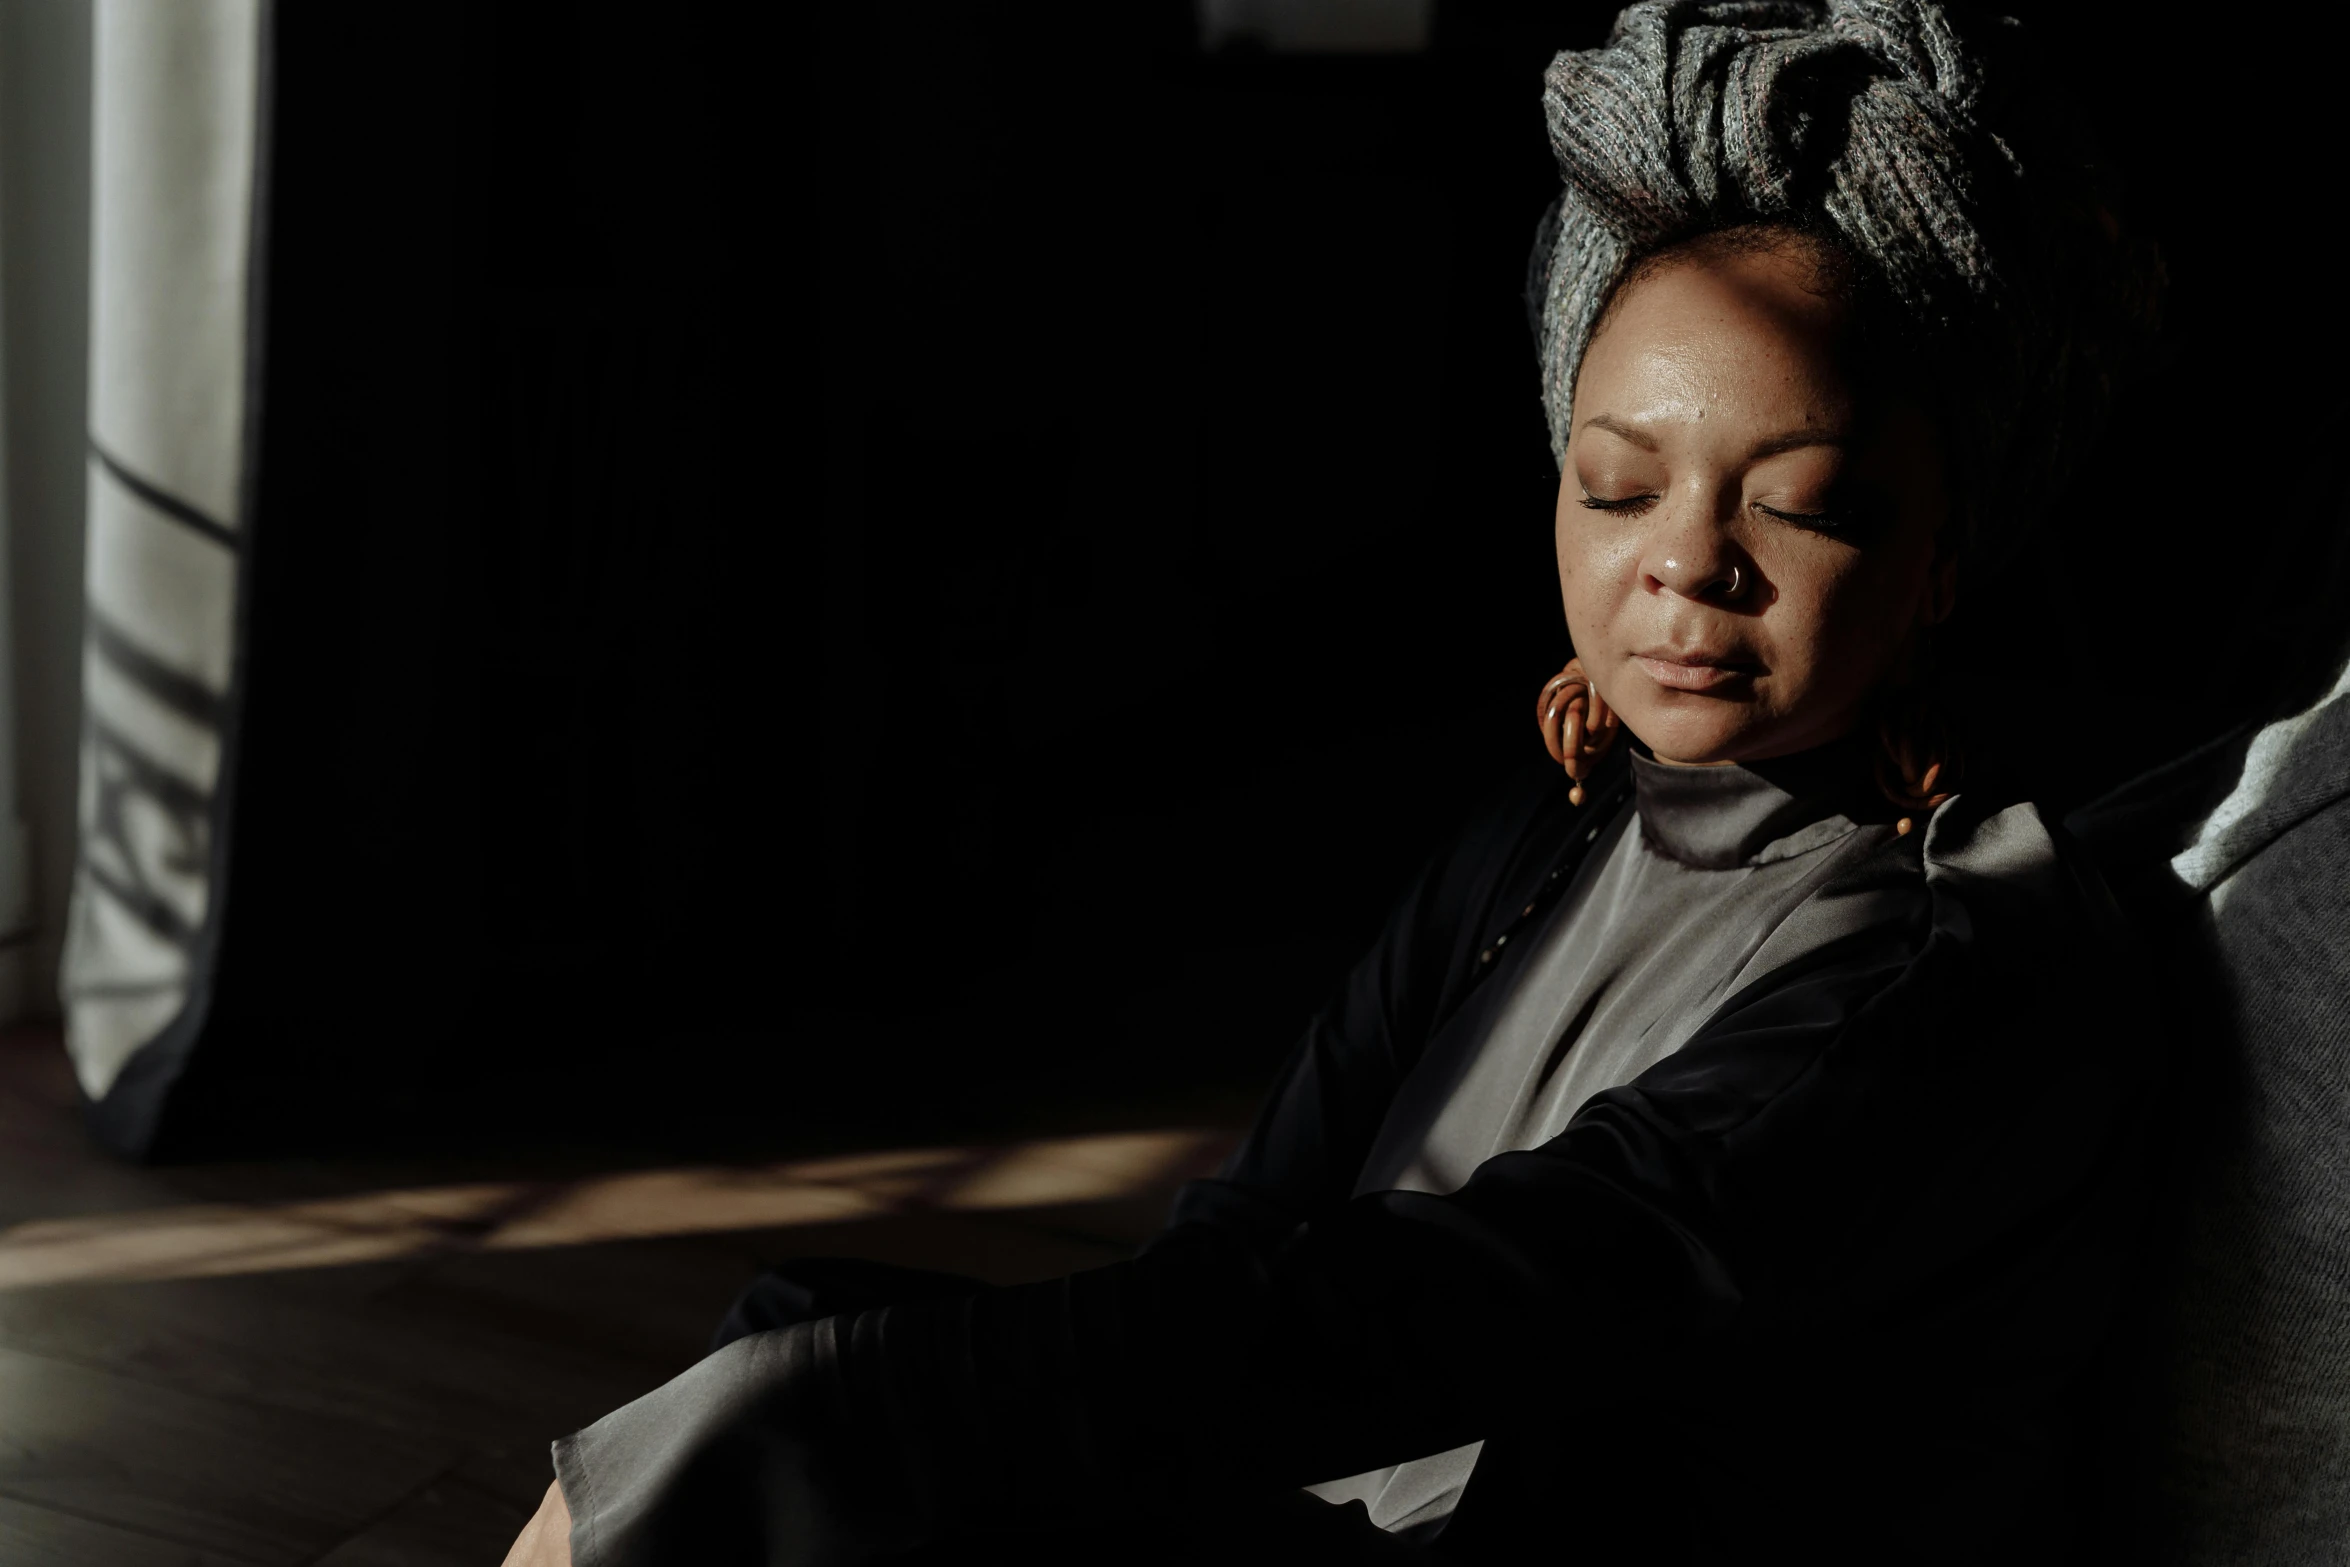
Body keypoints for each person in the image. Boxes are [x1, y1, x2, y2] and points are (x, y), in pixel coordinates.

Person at [504, 2, 2161, 1562]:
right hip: (1361, 1470)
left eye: (1797, 504)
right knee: (799, 1337)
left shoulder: (1958, 962)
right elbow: (1244, 1240)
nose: (1683, 567)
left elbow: (1477, 1297)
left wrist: (832, 1425)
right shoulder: (1552, 821)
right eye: (1612, 486)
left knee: (810, 1416)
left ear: (1942, 560)